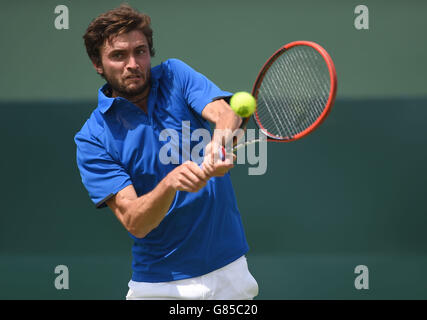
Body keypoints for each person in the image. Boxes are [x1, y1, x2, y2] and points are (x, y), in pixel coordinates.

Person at [74, 4, 258, 300]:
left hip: (230, 273)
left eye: (140, 51)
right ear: (98, 63)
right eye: (118, 55)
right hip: (160, 286)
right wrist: (171, 183)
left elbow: (226, 114)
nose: (132, 63)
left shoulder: (175, 74)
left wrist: (218, 144)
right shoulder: (92, 138)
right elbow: (136, 221)